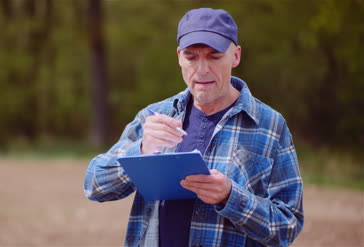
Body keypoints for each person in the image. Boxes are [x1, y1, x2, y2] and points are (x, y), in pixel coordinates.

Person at [84, 7, 304, 247]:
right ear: (179, 56)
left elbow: (288, 226)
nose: (202, 70)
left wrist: (231, 197)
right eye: (191, 56)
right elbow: (94, 185)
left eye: (214, 56)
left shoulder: (271, 126)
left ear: (236, 56)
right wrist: (142, 150)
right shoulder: (154, 117)